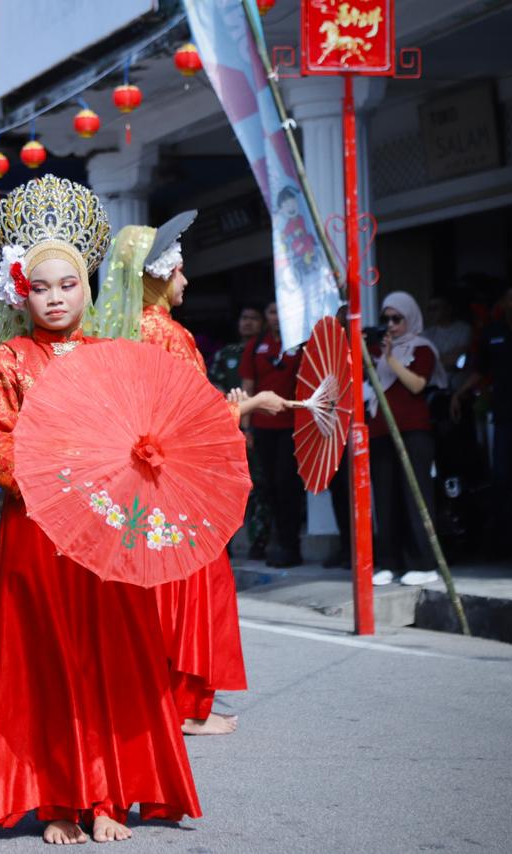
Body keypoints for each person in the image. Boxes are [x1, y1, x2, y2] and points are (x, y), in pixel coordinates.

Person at [0, 175, 200, 844]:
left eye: (68, 284)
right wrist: (47, 479)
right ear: (21, 291)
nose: (57, 296)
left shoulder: (113, 356)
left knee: (113, 662)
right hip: (37, 535)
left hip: (106, 538)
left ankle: (108, 795)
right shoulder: (9, 360)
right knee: (48, 664)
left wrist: (146, 452)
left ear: (86, 287)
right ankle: (60, 800)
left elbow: (143, 430)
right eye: (42, 286)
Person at [93, 214, 287, 738]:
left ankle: (157, 698)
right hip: (173, 482)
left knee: (152, 586)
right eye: (178, 271)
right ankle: (183, 705)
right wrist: (248, 407)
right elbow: (188, 422)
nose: (185, 280)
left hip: (140, 482)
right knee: (193, 584)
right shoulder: (168, 334)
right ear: (156, 277)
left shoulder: (124, 331)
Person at [450, 285, 512, 552]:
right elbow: (480, 370)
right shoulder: (491, 334)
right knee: (501, 476)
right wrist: (459, 393)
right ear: (504, 302)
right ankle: (503, 540)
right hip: (504, 415)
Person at [368, 292, 447, 587]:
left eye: (396, 319)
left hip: (413, 431)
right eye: (385, 319)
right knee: (385, 501)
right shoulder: (375, 350)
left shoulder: (422, 348)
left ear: (410, 318)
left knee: (415, 498)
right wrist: (379, 355)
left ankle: (424, 563)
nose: (391, 325)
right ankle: (389, 561)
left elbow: (417, 384)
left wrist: (391, 359)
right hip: (380, 432)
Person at [239, 301, 303, 567]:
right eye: (272, 312)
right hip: (263, 430)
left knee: (288, 486)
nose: (277, 317)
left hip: (292, 428)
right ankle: (275, 542)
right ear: (266, 317)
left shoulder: (301, 345)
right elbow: (247, 387)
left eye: (281, 311)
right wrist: (245, 428)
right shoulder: (256, 346)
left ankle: (291, 545)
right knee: (268, 488)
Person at [209, 304, 270, 559]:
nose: (248, 323)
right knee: (226, 487)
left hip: (261, 427)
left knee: (259, 487)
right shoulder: (226, 354)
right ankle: (226, 543)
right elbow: (212, 386)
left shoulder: (266, 350)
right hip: (228, 426)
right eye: (244, 317)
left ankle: (260, 541)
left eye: (254, 318)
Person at [425, 294, 473, 390]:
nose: (432, 312)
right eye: (430, 309)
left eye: (436, 308)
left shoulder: (464, 329)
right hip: (432, 387)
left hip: (457, 388)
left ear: (448, 309)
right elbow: (425, 362)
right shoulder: (426, 334)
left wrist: (436, 358)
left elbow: (459, 360)